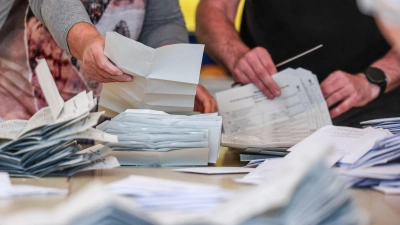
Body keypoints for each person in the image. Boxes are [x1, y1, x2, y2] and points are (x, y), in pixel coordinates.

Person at [0, 0, 216, 122]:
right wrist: (86, 41)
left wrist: (175, 76)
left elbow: (162, 23)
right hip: (22, 135)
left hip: (102, 136)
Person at [196, 0, 400, 127]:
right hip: (269, 110)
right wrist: (236, 55)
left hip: (375, 113)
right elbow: (214, 8)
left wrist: (375, 78)